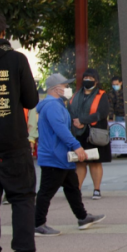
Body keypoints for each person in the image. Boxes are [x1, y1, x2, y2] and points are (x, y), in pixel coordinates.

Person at [0, 12, 41, 252]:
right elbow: (31, 100)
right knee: (21, 199)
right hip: (12, 141)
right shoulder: (17, 59)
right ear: (2, 32)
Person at [34, 74, 105, 237]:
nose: (67, 89)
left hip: (59, 156)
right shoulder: (53, 106)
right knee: (46, 191)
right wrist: (76, 146)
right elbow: (61, 130)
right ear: (55, 88)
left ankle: (82, 217)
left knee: (72, 188)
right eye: (65, 86)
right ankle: (38, 224)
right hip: (54, 156)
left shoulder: (55, 104)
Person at [69, 68, 110, 199]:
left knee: (95, 162)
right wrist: (76, 121)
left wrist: (83, 120)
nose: (87, 80)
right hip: (78, 133)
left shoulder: (101, 94)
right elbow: (69, 109)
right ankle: (77, 190)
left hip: (95, 133)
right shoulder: (76, 95)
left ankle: (96, 189)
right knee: (80, 162)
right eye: (85, 78)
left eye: (90, 78)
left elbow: (102, 113)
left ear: (96, 81)